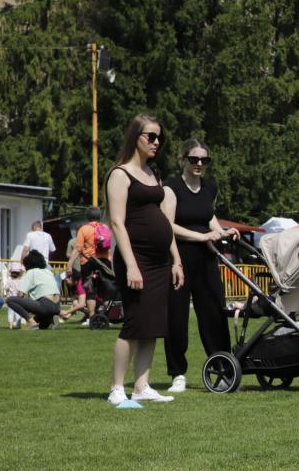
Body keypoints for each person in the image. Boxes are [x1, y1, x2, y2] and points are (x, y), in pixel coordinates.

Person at [106, 114, 184, 405]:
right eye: (150, 136)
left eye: (159, 137)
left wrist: (176, 260)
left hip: (160, 260)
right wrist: (131, 265)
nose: (156, 142)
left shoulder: (153, 174)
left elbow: (165, 222)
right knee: (135, 323)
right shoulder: (120, 174)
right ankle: (117, 388)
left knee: (154, 323)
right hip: (136, 258)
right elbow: (117, 223)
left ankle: (142, 386)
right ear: (135, 137)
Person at [163, 139, 235, 393]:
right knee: (176, 317)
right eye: (194, 159)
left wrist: (223, 231)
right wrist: (202, 236)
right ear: (183, 159)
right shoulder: (171, 188)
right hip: (179, 258)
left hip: (206, 259)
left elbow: (208, 217)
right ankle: (177, 374)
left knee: (215, 313)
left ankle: (223, 369)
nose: (200, 164)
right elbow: (168, 225)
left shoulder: (209, 188)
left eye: (205, 160)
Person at [59, 206, 113, 325]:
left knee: (90, 291)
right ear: (99, 216)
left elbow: (78, 248)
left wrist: (70, 264)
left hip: (88, 262)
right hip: (105, 262)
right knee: (106, 290)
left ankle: (92, 318)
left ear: (87, 216)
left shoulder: (84, 229)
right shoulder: (105, 227)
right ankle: (106, 316)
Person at [4, 250, 61, 330]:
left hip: (45, 304)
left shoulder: (31, 272)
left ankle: (32, 322)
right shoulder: (48, 272)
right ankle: (50, 317)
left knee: (10, 300)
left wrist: (27, 310)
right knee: (41, 325)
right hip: (57, 306)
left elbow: (20, 294)